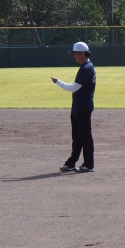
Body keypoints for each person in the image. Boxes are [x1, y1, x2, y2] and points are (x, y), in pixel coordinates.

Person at [52, 41, 97, 173]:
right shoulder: (87, 66)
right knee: (77, 136)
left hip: (82, 107)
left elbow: (73, 88)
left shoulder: (86, 68)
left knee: (85, 136)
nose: (74, 56)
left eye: (75, 54)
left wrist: (58, 82)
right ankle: (71, 163)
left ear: (82, 53)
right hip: (79, 106)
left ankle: (88, 164)